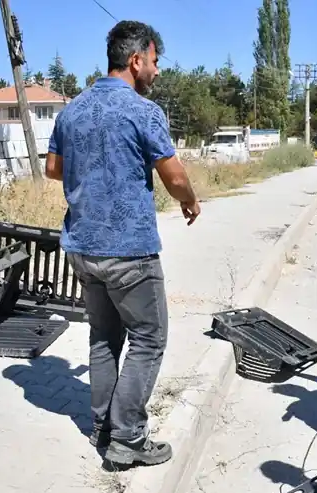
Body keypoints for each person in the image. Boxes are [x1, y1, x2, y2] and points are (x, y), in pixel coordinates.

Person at [45, 20, 201, 468]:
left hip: (82, 248)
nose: (155, 71)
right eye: (154, 62)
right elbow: (173, 176)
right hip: (128, 251)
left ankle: (102, 426)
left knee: (103, 338)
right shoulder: (143, 112)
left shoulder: (70, 111)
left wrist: (91, 167)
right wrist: (189, 200)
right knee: (149, 338)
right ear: (136, 60)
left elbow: (55, 169)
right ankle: (128, 439)